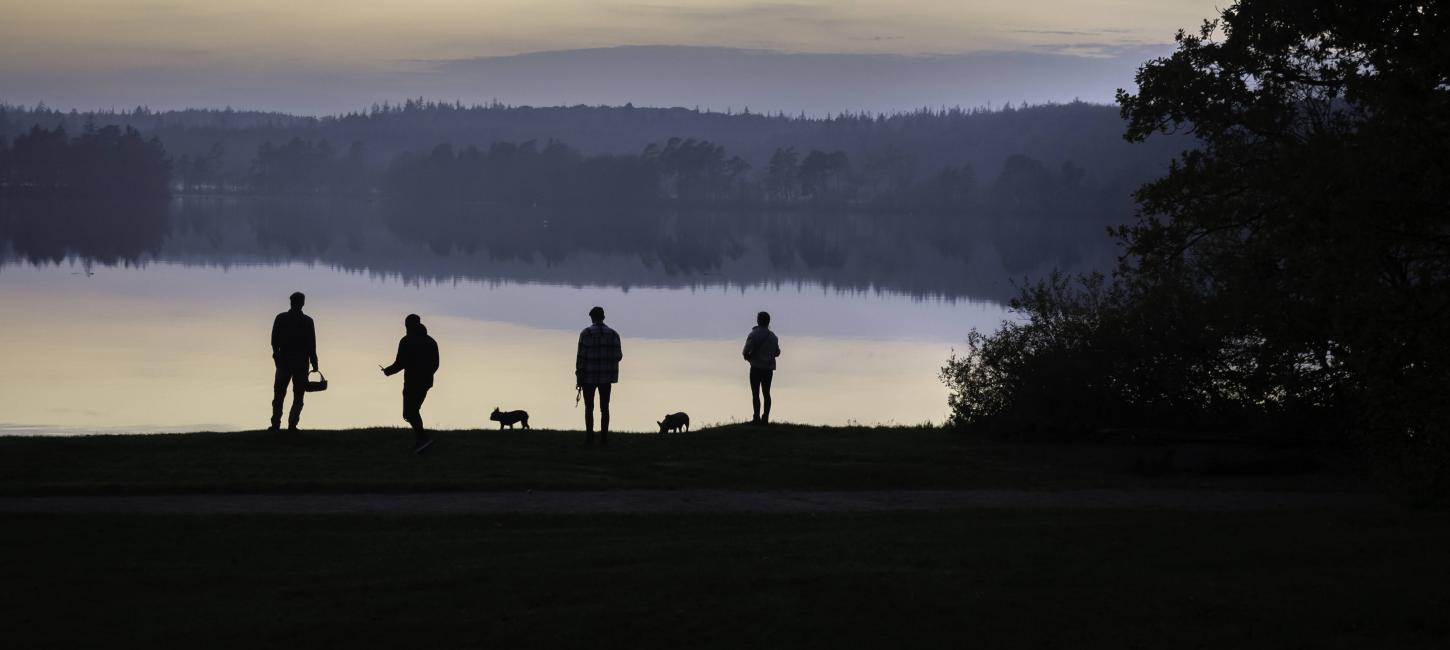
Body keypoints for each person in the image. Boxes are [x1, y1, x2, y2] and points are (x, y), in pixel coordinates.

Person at [381, 313, 440, 454]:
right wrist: (427, 374)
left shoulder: (407, 341)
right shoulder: (431, 341)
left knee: (409, 412)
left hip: (412, 382)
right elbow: (436, 364)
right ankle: (422, 440)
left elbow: (401, 362)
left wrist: (388, 371)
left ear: (408, 325)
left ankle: (423, 439)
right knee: (413, 411)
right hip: (426, 382)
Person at [270, 291, 318, 431]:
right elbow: (312, 345)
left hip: (284, 362)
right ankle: (292, 425)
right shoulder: (308, 321)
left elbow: (274, 341)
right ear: (303, 303)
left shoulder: (280, 318)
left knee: (279, 395)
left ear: (291, 302)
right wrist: (314, 363)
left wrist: (276, 356)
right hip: (301, 364)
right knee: (298, 396)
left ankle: (275, 424)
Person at [576, 306, 622, 444]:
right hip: (606, 378)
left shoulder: (586, 333)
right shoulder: (613, 334)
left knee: (589, 408)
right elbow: (618, 356)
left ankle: (589, 438)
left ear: (591, 317)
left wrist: (579, 376)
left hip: (588, 377)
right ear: (604, 317)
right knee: (605, 408)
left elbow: (581, 358)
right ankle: (604, 438)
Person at [742, 311, 781, 424]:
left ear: (758, 321)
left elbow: (745, 351)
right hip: (768, 369)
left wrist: (749, 358)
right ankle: (765, 418)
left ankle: (756, 418)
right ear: (768, 322)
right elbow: (777, 352)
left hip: (755, 368)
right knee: (767, 393)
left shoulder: (753, 334)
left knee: (755, 394)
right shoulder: (773, 337)